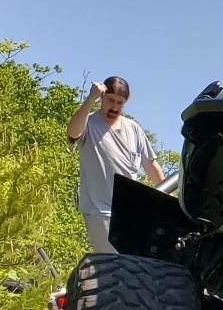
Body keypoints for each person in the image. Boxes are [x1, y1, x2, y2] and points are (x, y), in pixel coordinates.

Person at [66, 76, 164, 254]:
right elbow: (72, 133)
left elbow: (150, 165)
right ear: (102, 98)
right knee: (115, 261)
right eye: (111, 100)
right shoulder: (89, 123)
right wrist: (91, 98)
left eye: (120, 103)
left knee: (136, 263)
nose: (115, 107)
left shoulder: (134, 129)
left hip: (130, 212)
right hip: (99, 211)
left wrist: (169, 199)